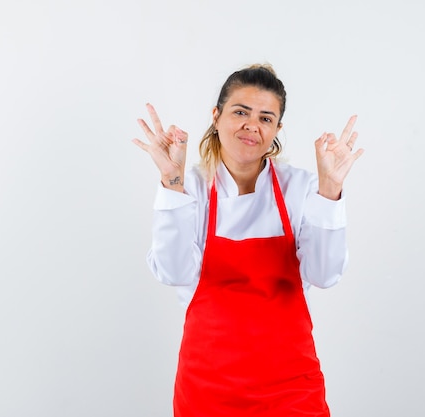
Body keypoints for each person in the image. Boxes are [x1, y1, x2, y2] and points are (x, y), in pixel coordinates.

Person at [132, 63, 363, 417]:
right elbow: (172, 271)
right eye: (241, 111)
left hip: (292, 388)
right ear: (216, 115)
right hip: (207, 388)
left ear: (277, 129)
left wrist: (329, 190)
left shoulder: (300, 188)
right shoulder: (189, 187)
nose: (251, 125)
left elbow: (325, 274)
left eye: (266, 118)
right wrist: (171, 181)